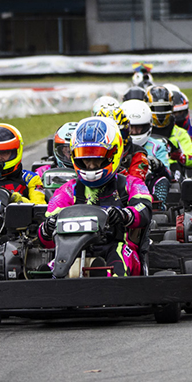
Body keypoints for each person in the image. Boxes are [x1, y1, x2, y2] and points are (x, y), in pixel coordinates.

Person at [37, 117, 151, 277]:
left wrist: (124, 215)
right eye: (85, 158)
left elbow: (144, 209)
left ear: (113, 154)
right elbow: (47, 236)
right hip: (75, 250)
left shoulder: (130, 184)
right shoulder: (68, 190)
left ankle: (113, 293)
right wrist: (48, 228)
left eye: (96, 158)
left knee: (118, 257)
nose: (90, 165)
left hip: (118, 247)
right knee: (52, 268)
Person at [122, 98, 173, 207]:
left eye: (139, 128)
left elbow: (169, 175)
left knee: (162, 180)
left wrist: (159, 166)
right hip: (122, 185)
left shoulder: (158, 146)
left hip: (148, 186)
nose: (135, 132)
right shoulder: (118, 146)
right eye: (131, 128)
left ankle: (157, 206)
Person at [148, 84, 192, 170]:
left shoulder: (180, 133)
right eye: (156, 108)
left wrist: (180, 156)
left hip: (174, 174)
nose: (161, 112)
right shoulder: (143, 133)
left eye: (164, 108)